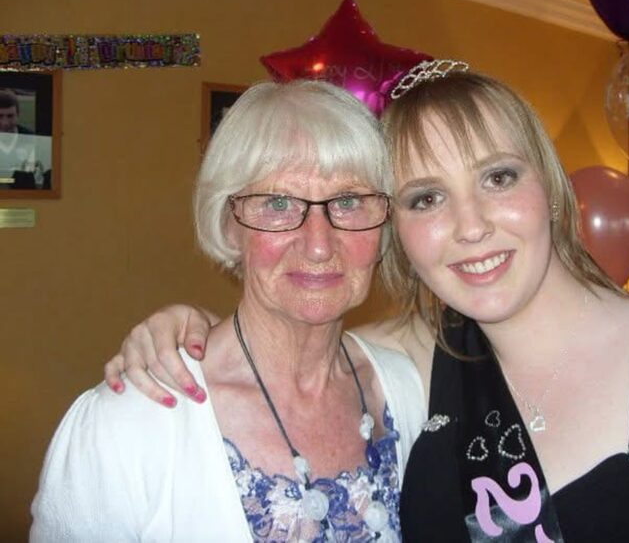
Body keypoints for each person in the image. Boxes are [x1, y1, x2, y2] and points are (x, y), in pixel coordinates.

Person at [103, 64, 629, 541]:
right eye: (426, 198)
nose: (471, 227)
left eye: (498, 178)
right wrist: (181, 331)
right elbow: (286, 346)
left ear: (550, 188)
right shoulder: (409, 361)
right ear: (396, 233)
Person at [31, 80, 425, 542]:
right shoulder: (124, 426)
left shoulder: (404, 390)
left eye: (348, 201)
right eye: (278, 202)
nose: (319, 245)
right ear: (228, 224)